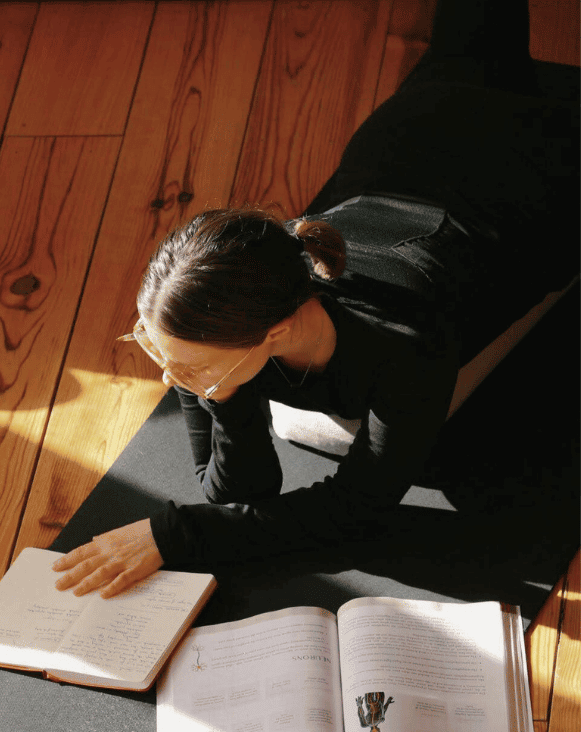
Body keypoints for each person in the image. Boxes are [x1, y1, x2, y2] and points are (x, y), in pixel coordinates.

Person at [53, 0, 579, 598]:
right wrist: (222, 397)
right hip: (411, 143)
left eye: (190, 364)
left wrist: (175, 535)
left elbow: (356, 507)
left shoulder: (407, 344)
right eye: (155, 345)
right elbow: (237, 492)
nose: (173, 377)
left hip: (536, 179)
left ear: (274, 332)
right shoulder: (234, 309)